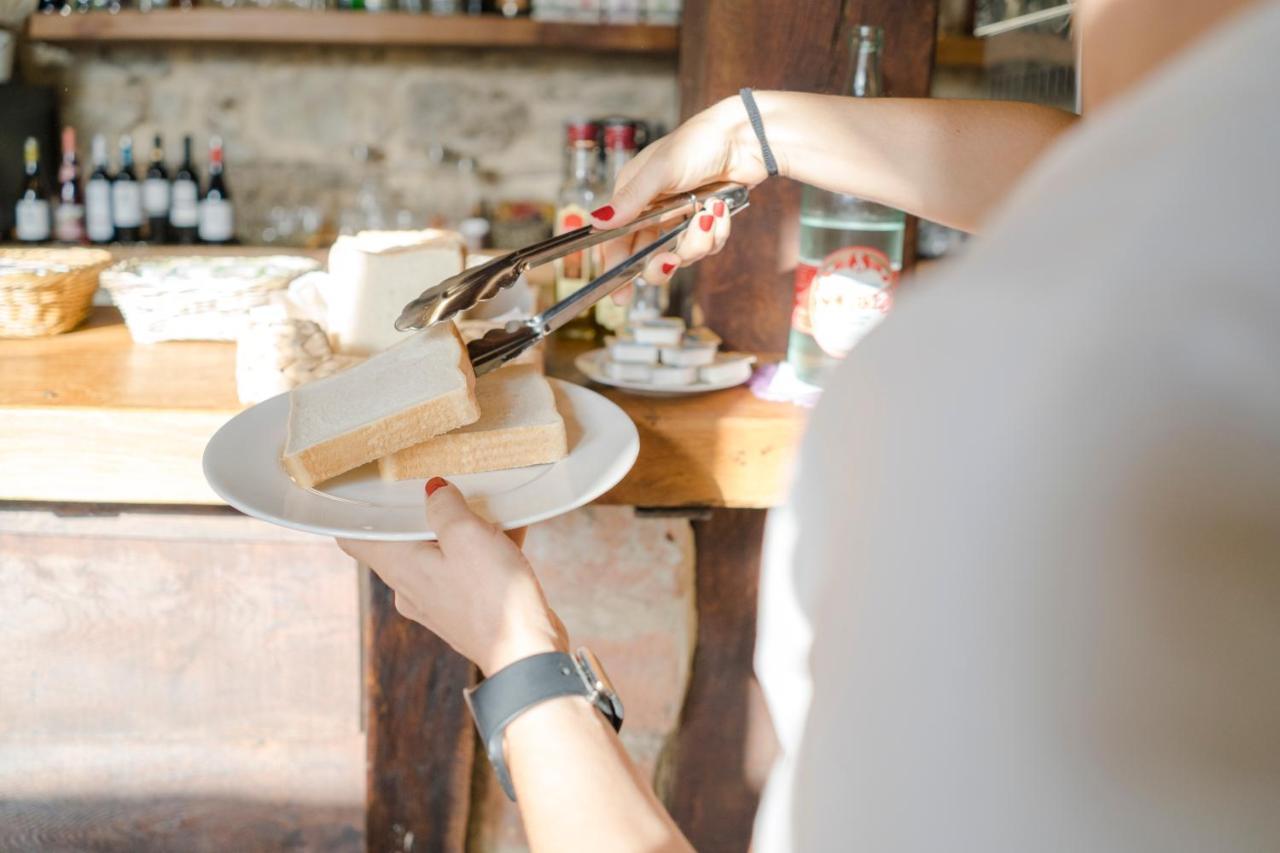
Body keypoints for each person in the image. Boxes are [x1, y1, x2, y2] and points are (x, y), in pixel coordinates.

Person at [338, 0, 1280, 848]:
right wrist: (753, 131)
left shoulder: (1031, 398)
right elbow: (1100, 167)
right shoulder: (1226, 211)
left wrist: (517, 655)